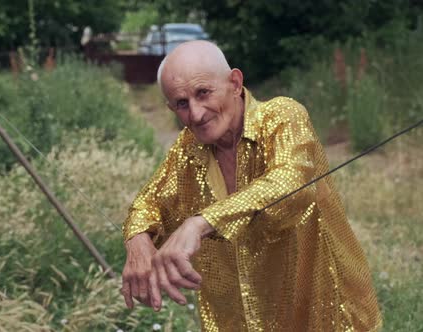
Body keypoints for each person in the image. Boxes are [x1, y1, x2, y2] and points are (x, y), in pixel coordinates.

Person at [121, 40, 381, 331]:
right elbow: (147, 203)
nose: (196, 114)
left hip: (318, 308)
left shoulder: (282, 116)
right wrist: (137, 240)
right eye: (182, 104)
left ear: (234, 82)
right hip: (236, 319)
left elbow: (292, 182)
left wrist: (201, 222)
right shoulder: (187, 148)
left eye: (203, 93)